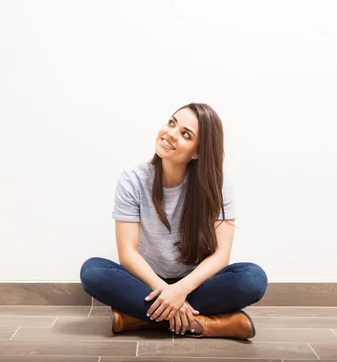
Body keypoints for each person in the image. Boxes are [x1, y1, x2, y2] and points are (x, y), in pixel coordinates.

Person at [80, 103, 268, 340]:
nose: (170, 134)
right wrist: (166, 292)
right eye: (171, 123)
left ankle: (139, 319)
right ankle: (204, 323)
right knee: (93, 271)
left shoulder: (217, 187)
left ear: (197, 152)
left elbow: (221, 255)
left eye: (185, 134)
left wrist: (180, 291)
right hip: (147, 283)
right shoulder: (133, 180)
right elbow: (127, 254)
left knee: (252, 278)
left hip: (196, 283)